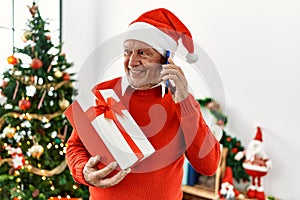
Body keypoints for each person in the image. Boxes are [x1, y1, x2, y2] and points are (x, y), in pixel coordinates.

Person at [66, 8, 221, 200]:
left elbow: (208, 165)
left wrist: (184, 103)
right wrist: (84, 172)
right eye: (127, 52)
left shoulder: (181, 102)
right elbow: (75, 146)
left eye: (142, 53)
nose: (131, 62)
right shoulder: (102, 92)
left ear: (165, 60)